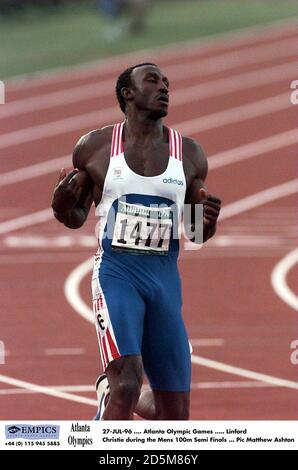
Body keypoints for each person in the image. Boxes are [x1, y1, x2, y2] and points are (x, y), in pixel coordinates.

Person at [51, 63, 221, 420]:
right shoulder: (95, 148)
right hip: (118, 275)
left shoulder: (189, 155)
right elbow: (75, 217)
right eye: (153, 81)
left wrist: (208, 221)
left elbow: (195, 232)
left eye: (167, 83)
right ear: (127, 94)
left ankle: (106, 397)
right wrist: (61, 205)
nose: (164, 87)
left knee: (172, 415)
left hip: (164, 282)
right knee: (127, 383)